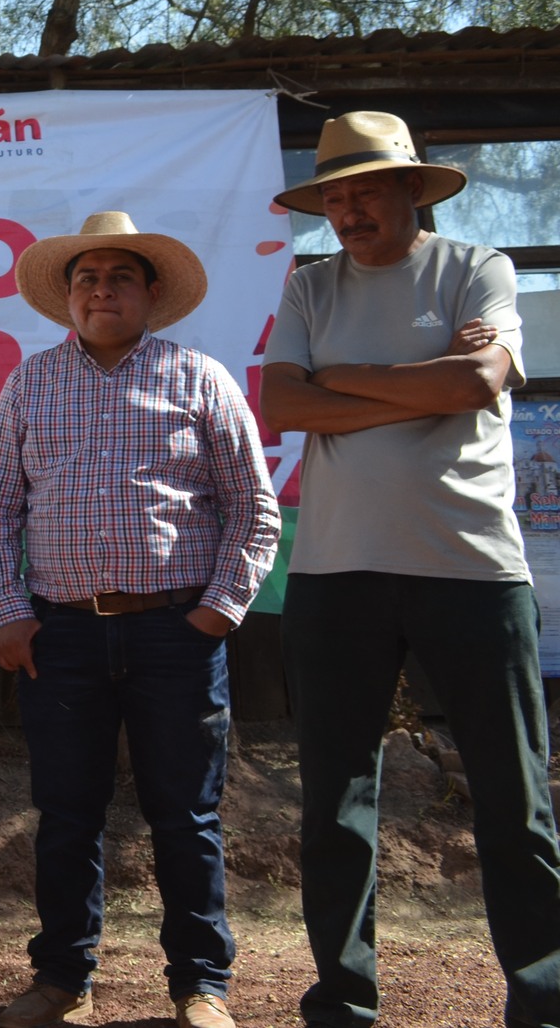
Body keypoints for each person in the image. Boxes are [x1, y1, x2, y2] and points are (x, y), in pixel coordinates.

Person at [260, 112, 560, 1028]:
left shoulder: (479, 269)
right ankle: (343, 1000)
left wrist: (342, 380)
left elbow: (473, 387)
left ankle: (543, 995)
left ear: (411, 189)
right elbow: (279, 401)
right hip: (336, 574)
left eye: (364, 190)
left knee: (515, 796)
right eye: (334, 197)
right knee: (336, 802)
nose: (348, 211)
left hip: (470, 567)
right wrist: (418, 375)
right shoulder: (310, 287)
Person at [0, 212, 279, 1028]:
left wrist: (216, 614)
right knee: (66, 814)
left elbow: (255, 509)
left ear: (150, 293)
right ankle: (61, 980)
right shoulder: (30, 383)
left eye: (117, 277)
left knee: (186, 816)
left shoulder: (200, 378)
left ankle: (201, 986)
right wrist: (10, 611)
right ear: (68, 297)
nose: (100, 290)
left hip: (175, 632)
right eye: (85, 278)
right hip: (61, 634)